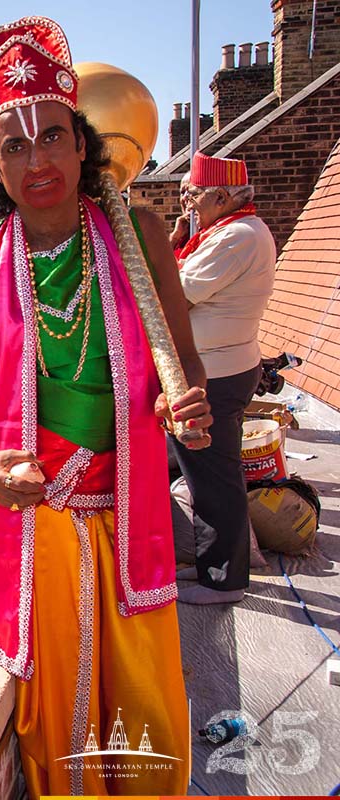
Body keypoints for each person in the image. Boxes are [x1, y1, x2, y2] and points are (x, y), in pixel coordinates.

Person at [0, 16, 206, 796]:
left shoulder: (140, 235)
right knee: (59, 732)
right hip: (31, 522)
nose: (38, 159)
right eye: (14, 146)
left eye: (52, 136)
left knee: (148, 715)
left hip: (131, 510)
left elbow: (184, 362)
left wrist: (184, 403)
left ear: (83, 144)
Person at [169, 152, 276, 604]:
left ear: (219, 197)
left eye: (193, 194)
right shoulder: (229, 231)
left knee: (213, 479)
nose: (187, 203)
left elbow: (175, 295)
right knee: (203, 475)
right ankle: (209, 563)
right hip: (219, 368)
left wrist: (162, 250)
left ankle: (224, 580)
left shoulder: (236, 237)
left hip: (216, 374)